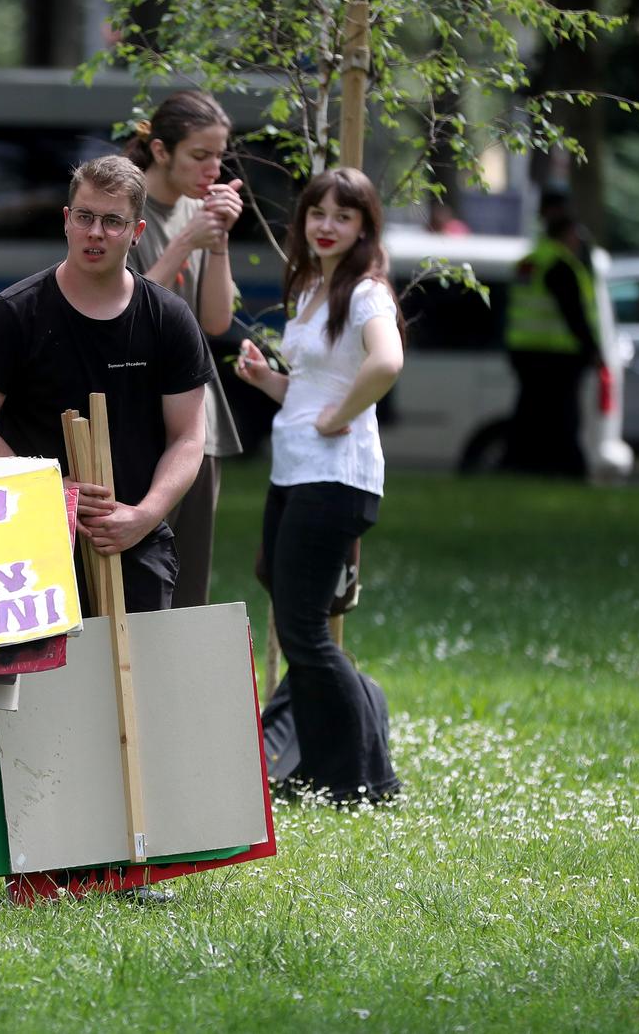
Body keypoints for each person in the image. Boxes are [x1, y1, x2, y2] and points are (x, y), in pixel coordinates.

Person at [0, 152, 210, 619]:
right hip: (32, 534)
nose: (96, 232)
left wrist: (145, 516)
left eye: (113, 221)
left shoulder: (168, 318)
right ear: (67, 221)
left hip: (134, 540)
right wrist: (46, 488)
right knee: (34, 693)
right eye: (86, 217)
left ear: (137, 232)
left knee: (137, 690)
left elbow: (189, 437)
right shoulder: (14, 315)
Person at [233, 167, 404, 803]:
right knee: (284, 597)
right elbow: (314, 387)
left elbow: (386, 362)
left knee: (304, 630)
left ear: (364, 227)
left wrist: (340, 416)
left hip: (336, 477)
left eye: (343, 216)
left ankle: (364, 777)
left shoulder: (365, 293)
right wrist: (268, 383)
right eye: (317, 214)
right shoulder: (312, 289)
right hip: (296, 469)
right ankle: (318, 767)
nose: (326, 226)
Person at [123, 91, 245, 608]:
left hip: (198, 421)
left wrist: (216, 244)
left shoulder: (200, 213)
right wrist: (182, 244)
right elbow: (123, 318)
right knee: (134, 577)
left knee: (189, 585)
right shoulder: (122, 213)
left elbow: (216, 321)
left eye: (220, 157)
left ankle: (179, 688)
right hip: (138, 416)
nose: (213, 169)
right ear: (160, 150)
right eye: (200, 155)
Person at [502, 191, 600, 477]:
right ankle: (566, 470)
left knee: (529, 415)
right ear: (568, 234)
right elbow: (574, 315)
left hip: (524, 351)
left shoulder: (530, 261)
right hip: (556, 356)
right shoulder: (561, 266)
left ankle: (519, 466)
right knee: (562, 418)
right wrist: (592, 349)